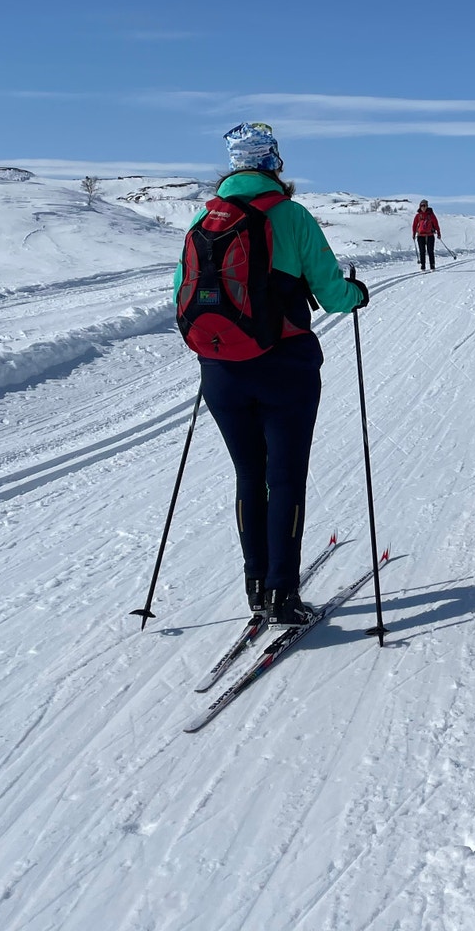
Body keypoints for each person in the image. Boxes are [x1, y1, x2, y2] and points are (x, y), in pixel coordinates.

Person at [175, 122, 369, 625]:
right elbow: (331, 293)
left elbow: (182, 293)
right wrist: (357, 294)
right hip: (284, 365)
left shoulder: (205, 219)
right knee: (284, 479)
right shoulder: (292, 216)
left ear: (233, 165)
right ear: (274, 163)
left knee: (248, 475)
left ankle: (255, 584)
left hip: (220, 370)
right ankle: (285, 593)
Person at [412, 199, 440, 271]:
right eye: (422, 206)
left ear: (427, 206)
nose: (423, 207)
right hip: (420, 235)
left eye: (424, 206)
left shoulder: (431, 215)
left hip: (430, 235)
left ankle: (432, 265)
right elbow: (414, 225)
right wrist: (414, 233)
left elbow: (436, 224)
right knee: (422, 251)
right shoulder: (418, 216)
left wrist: (439, 233)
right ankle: (423, 266)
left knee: (430, 251)